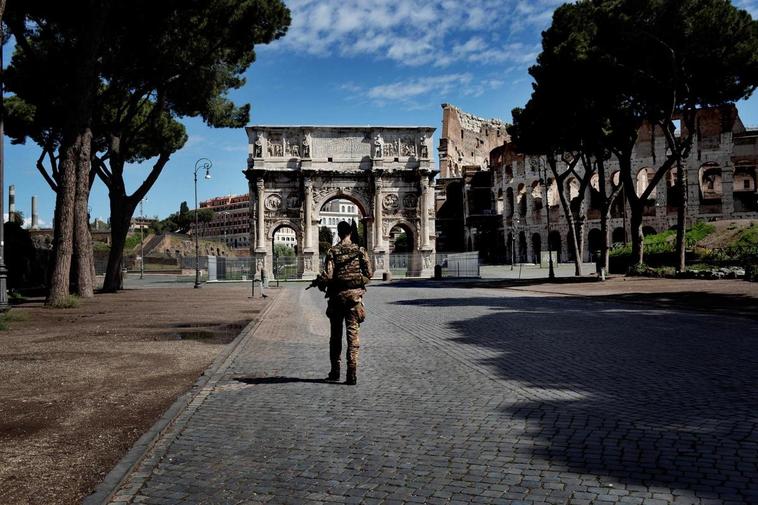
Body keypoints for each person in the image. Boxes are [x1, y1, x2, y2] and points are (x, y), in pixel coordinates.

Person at [314, 220, 372, 385]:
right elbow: (369, 273)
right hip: (354, 300)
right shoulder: (360, 251)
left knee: (335, 337)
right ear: (351, 233)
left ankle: (335, 371)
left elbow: (329, 275)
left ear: (338, 233)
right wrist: (356, 282)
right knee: (353, 337)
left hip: (337, 299)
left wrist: (322, 284)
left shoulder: (333, 251)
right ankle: (352, 372)